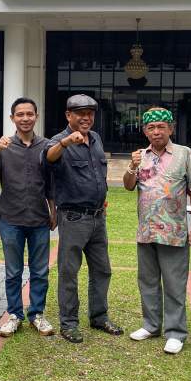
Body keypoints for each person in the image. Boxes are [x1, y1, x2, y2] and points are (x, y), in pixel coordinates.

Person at [122, 107, 191, 354]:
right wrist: (131, 166)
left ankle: (176, 332)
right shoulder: (141, 156)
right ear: (145, 131)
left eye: (161, 126)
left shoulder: (184, 154)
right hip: (146, 230)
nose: (156, 131)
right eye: (151, 127)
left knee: (174, 283)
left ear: (171, 128)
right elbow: (128, 187)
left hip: (174, 230)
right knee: (147, 281)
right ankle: (150, 325)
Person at [46, 94, 123, 344]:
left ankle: (99, 316)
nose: (86, 117)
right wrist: (67, 142)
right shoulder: (59, 141)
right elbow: (49, 157)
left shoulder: (96, 138)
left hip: (98, 218)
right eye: (80, 113)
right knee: (69, 272)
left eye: (90, 113)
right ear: (69, 115)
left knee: (102, 269)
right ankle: (68, 323)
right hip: (74, 217)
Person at [0, 97, 56, 338]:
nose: (25, 118)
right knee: (13, 271)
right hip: (11, 219)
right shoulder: (3, 145)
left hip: (39, 219)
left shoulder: (46, 146)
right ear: (12, 118)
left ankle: (37, 314)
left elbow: (51, 183)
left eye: (29, 114)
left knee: (40, 271)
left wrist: (53, 211)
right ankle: (15, 314)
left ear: (36, 116)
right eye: (20, 114)